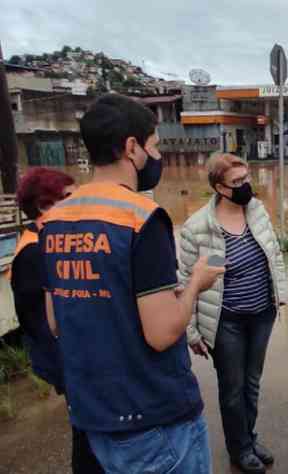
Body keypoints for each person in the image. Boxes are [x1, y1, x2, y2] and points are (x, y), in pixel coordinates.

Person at [39, 94, 224, 474]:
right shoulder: (142, 219)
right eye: (154, 146)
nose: (156, 157)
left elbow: (57, 321)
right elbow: (161, 333)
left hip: (95, 417)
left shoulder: (55, 220)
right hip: (154, 419)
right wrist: (194, 286)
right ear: (131, 147)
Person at [180, 152, 288, 474]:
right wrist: (192, 331)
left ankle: (249, 437)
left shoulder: (255, 211)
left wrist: (279, 293)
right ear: (219, 187)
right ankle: (239, 448)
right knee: (232, 388)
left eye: (246, 179)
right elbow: (189, 282)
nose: (245, 187)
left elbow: (274, 255)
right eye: (237, 182)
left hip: (261, 315)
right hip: (226, 320)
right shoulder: (201, 228)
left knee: (252, 383)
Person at [10, 168, 104, 474]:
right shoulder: (34, 252)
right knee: (88, 436)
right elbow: (39, 323)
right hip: (67, 362)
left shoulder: (50, 240)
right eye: (68, 197)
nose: (77, 202)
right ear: (43, 206)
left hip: (74, 359)